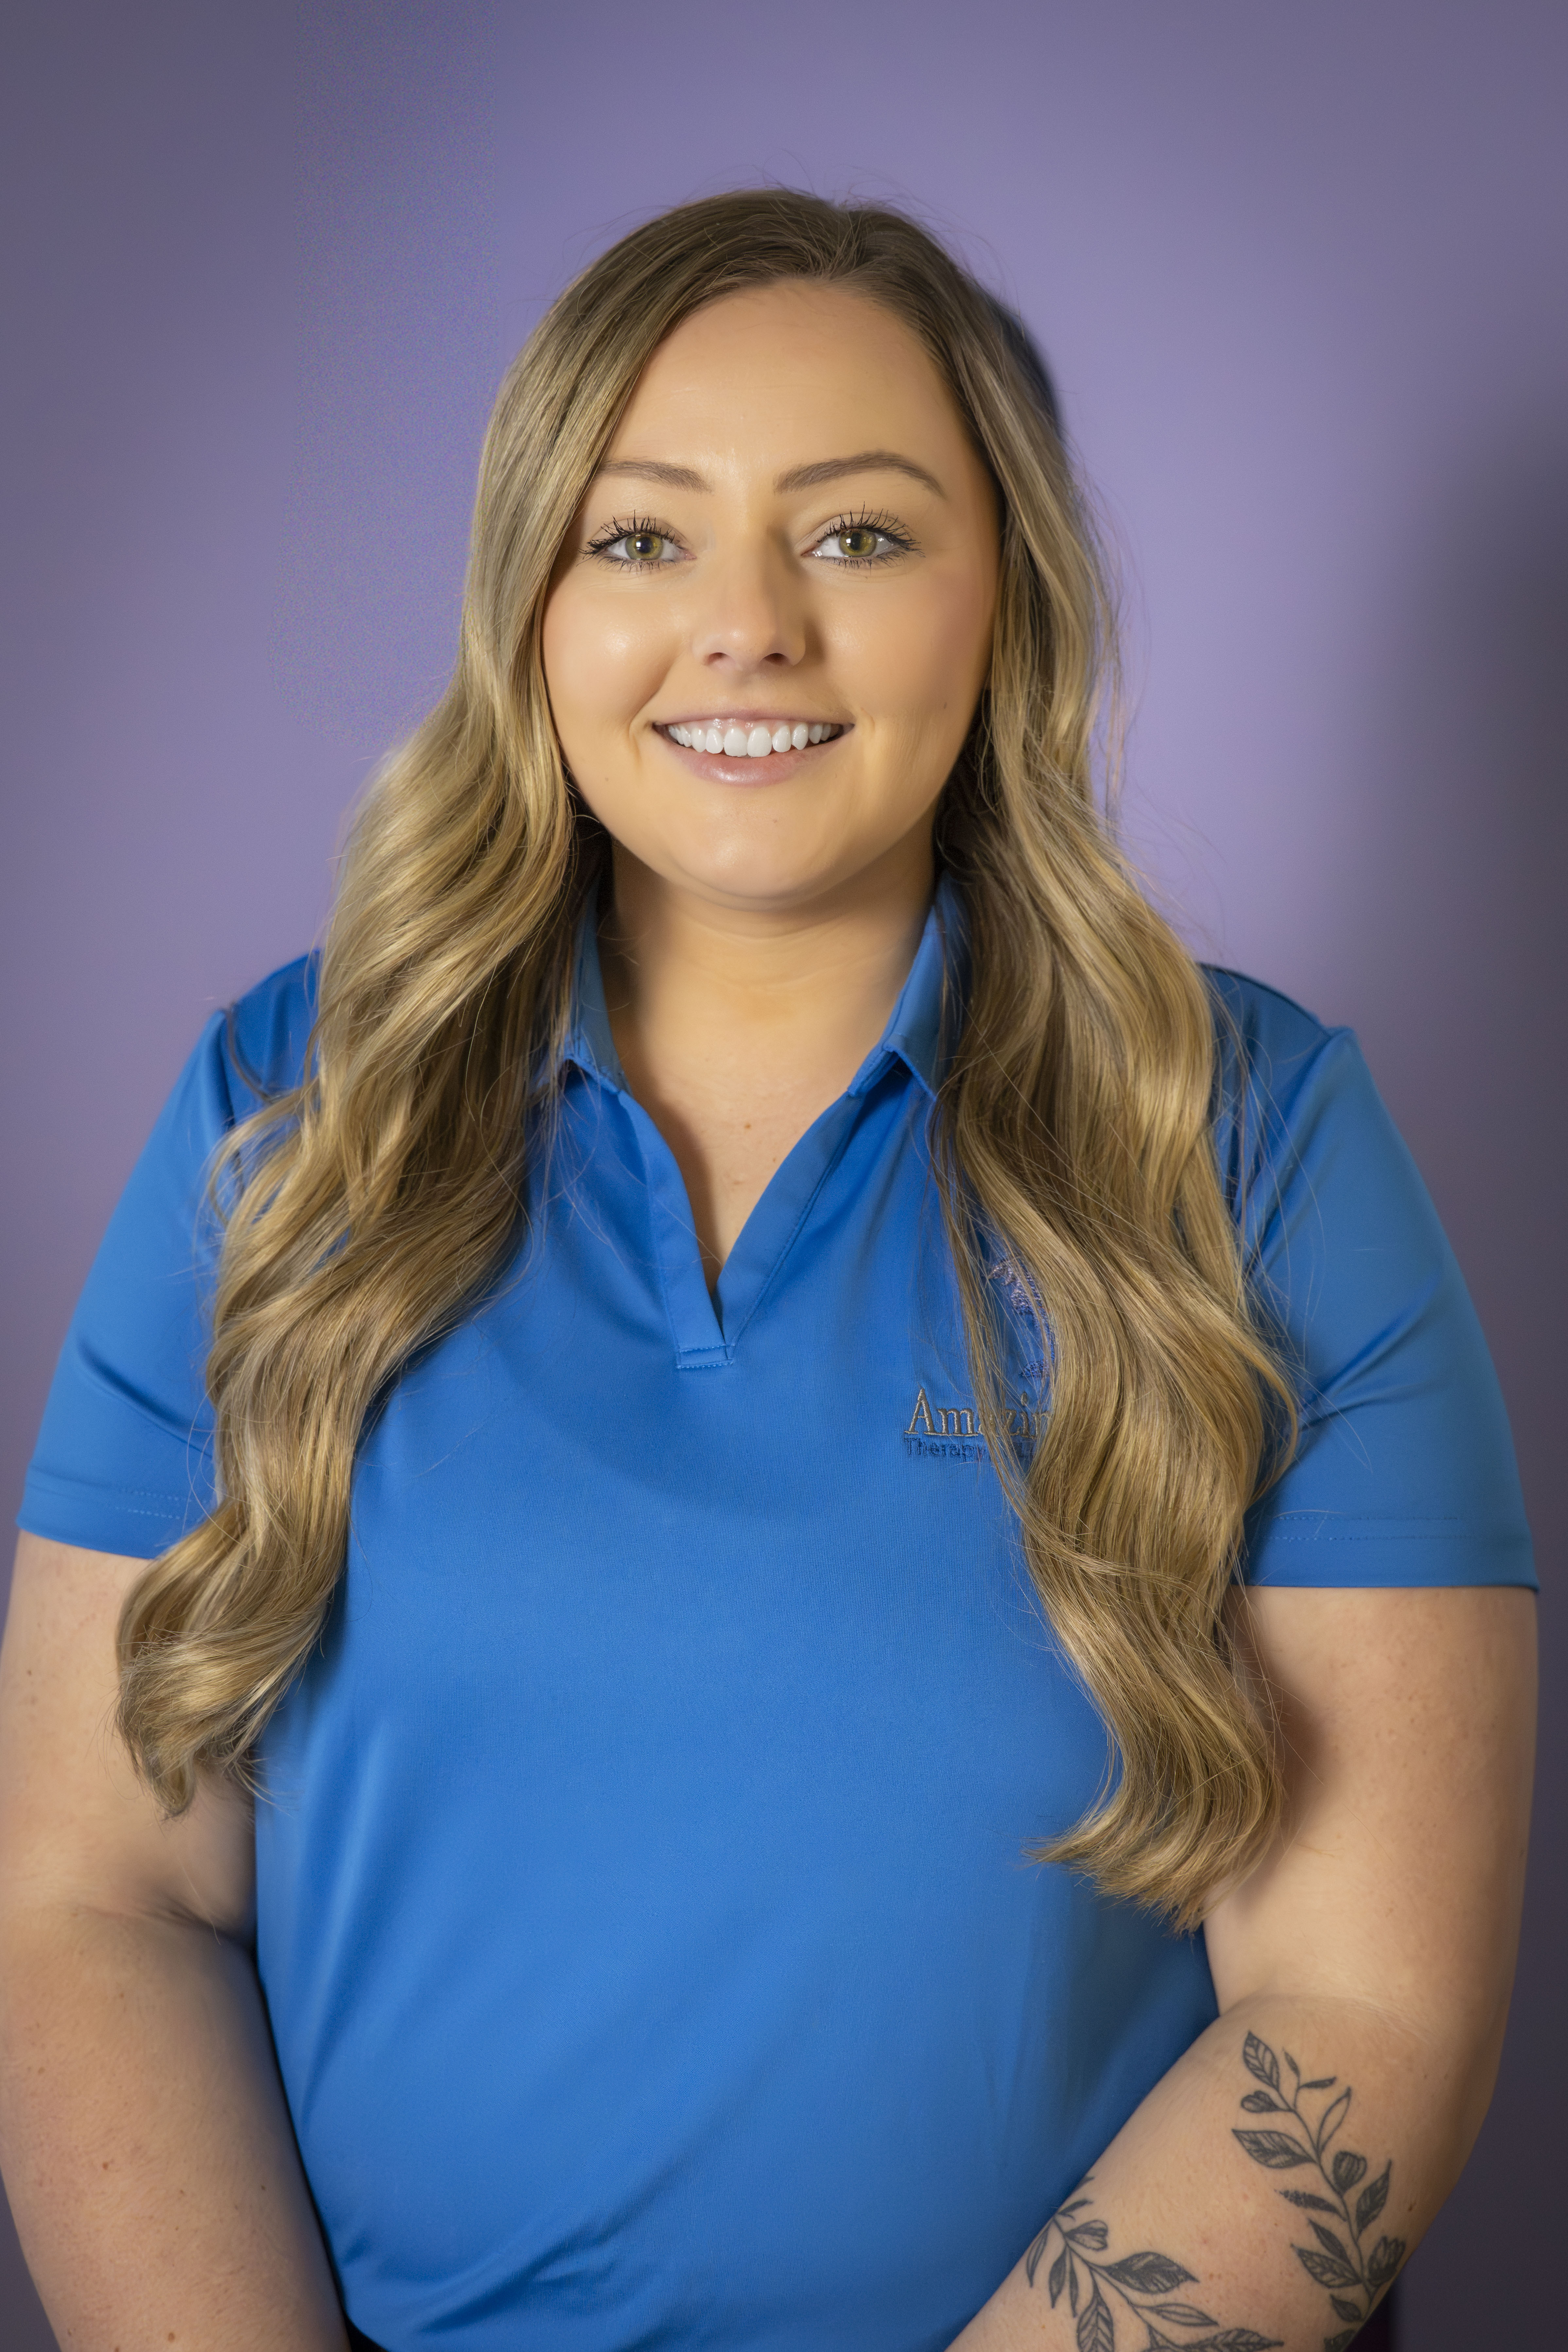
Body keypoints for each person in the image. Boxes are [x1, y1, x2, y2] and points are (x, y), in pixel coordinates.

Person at [0, 190, 1535, 2352]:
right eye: (643, 537)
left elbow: (1365, 2009)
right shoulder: (285, 1114)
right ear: (532, 605)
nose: (747, 628)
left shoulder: (1259, 1142)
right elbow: (96, 1903)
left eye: (859, 535)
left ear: (1006, 600)